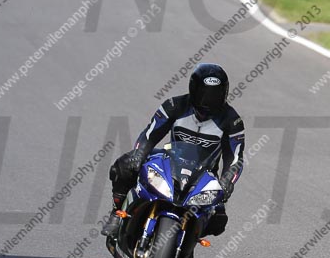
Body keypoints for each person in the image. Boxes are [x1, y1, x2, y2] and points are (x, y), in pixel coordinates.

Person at [102, 63, 244, 238]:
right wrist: (138, 155)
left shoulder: (232, 120)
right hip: (170, 160)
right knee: (124, 166)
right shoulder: (175, 105)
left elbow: (235, 158)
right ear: (194, 89)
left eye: (215, 94)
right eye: (205, 93)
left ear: (225, 92)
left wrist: (227, 181)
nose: (209, 100)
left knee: (218, 219)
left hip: (205, 174)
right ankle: (117, 213)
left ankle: (190, 236)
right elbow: (150, 135)